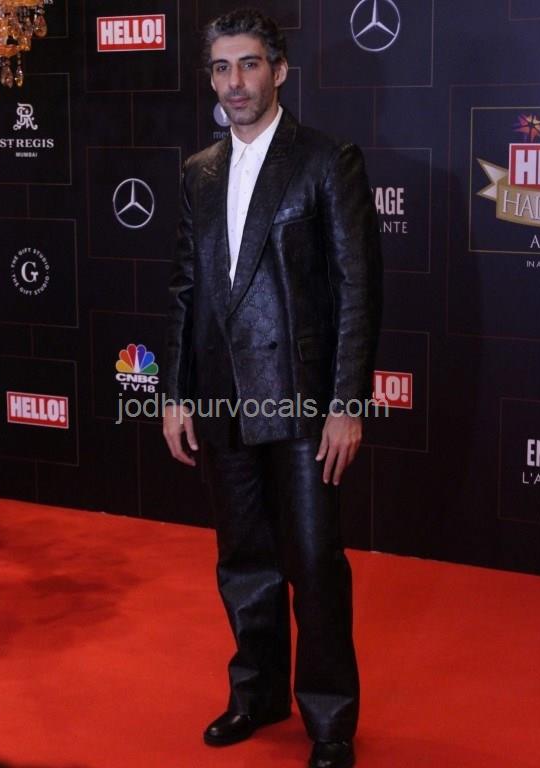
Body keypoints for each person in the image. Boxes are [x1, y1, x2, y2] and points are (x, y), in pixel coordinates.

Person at [162, 8, 382, 768]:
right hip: (222, 396)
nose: (235, 82)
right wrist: (175, 393)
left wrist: (347, 404)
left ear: (279, 71)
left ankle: (330, 721)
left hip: (302, 400)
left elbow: (357, 289)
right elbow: (186, 290)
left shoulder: (325, 159)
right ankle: (256, 693)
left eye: (249, 64)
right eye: (221, 68)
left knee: (314, 564)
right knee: (243, 560)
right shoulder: (197, 172)